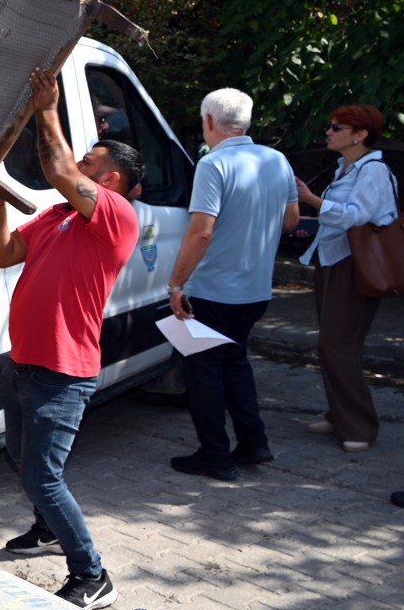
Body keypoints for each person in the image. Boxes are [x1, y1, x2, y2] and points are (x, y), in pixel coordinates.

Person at [0, 67, 144, 610]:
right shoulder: (55, 216)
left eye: (92, 161)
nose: (80, 164)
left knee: (42, 476)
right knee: (20, 459)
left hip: (63, 373)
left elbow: (57, 166)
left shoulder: (115, 217)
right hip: (23, 363)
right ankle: (47, 529)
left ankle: (92, 575)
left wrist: (46, 108)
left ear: (112, 179)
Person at [167, 89, 299, 481]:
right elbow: (292, 221)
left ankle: (215, 456)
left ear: (209, 122)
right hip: (256, 290)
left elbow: (201, 232)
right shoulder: (277, 160)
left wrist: (177, 283)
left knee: (203, 371)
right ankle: (253, 443)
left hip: (212, 291)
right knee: (235, 362)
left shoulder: (213, 164)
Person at [295, 105, 397, 453]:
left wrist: (312, 200)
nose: (328, 132)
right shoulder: (345, 167)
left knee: (337, 345)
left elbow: (357, 216)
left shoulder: (373, 171)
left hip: (357, 267)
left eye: (336, 127)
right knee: (334, 344)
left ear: (360, 134)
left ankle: (360, 426)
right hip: (333, 263)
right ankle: (339, 416)